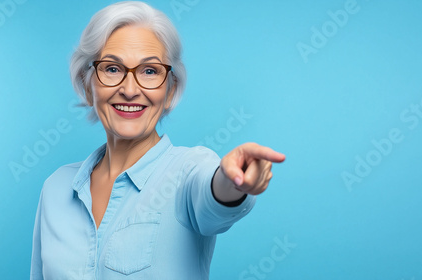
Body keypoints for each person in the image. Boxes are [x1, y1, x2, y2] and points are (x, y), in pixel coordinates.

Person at [30, 1, 285, 279]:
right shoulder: (55, 188)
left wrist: (233, 180)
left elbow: (214, 194)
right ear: (88, 84)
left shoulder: (188, 170)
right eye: (112, 69)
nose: (129, 90)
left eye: (150, 71)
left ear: (170, 89)